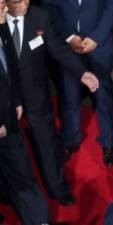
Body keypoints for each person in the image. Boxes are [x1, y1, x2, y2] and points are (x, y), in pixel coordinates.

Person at [5, 0, 99, 206]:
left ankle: (58, 189)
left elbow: (59, 50)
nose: (25, 3)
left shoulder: (41, 17)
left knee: (47, 144)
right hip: (5, 99)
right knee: (9, 149)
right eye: (18, 0)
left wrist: (82, 73)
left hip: (36, 96)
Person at [41, 0, 113, 165]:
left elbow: (111, 6)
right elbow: (50, 5)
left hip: (100, 45)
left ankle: (109, 142)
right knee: (69, 95)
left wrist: (96, 38)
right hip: (68, 47)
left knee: (103, 95)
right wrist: (69, 36)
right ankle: (70, 140)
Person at [0, 1, 51, 224]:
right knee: (20, 175)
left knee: (20, 172)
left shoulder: (1, 27)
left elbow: (8, 67)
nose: (5, 10)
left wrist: (17, 100)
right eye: (1, 5)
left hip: (8, 115)